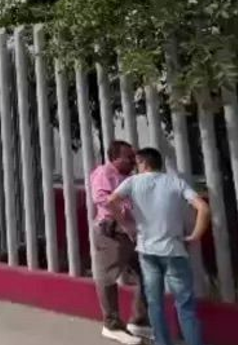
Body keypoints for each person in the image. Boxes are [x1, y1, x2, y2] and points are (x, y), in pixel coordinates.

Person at [107, 147, 210, 345]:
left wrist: (127, 225)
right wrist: (195, 235)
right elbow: (203, 208)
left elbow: (111, 201)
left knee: (155, 303)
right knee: (185, 305)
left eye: (137, 163)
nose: (135, 166)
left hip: (146, 250)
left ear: (144, 163)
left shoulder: (132, 182)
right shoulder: (176, 182)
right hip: (174, 250)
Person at [90, 140, 149, 344]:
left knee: (147, 274)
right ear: (115, 157)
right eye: (129, 157)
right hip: (112, 231)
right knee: (107, 277)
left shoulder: (130, 178)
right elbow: (102, 199)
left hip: (132, 234)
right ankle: (111, 324)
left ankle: (139, 321)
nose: (133, 160)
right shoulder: (104, 173)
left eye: (134, 157)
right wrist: (125, 209)